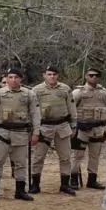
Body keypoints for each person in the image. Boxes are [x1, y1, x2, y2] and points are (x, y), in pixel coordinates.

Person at [0, 68, 41, 201]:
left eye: (16, 77)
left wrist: (36, 133)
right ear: (6, 78)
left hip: (21, 133)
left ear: (21, 79)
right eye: (10, 77)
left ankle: (20, 191)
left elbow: (35, 114)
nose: (13, 80)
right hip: (1, 133)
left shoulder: (29, 94)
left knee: (21, 163)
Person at [31, 65, 77, 195]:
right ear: (44, 75)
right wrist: (34, 129)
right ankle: (35, 184)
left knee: (65, 157)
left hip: (62, 125)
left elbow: (72, 108)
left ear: (58, 75)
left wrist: (74, 125)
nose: (52, 76)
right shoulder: (36, 90)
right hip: (44, 126)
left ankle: (65, 184)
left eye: (54, 74)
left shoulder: (65, 89)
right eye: (49, 74)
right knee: (39, 157)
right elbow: (33, 111)